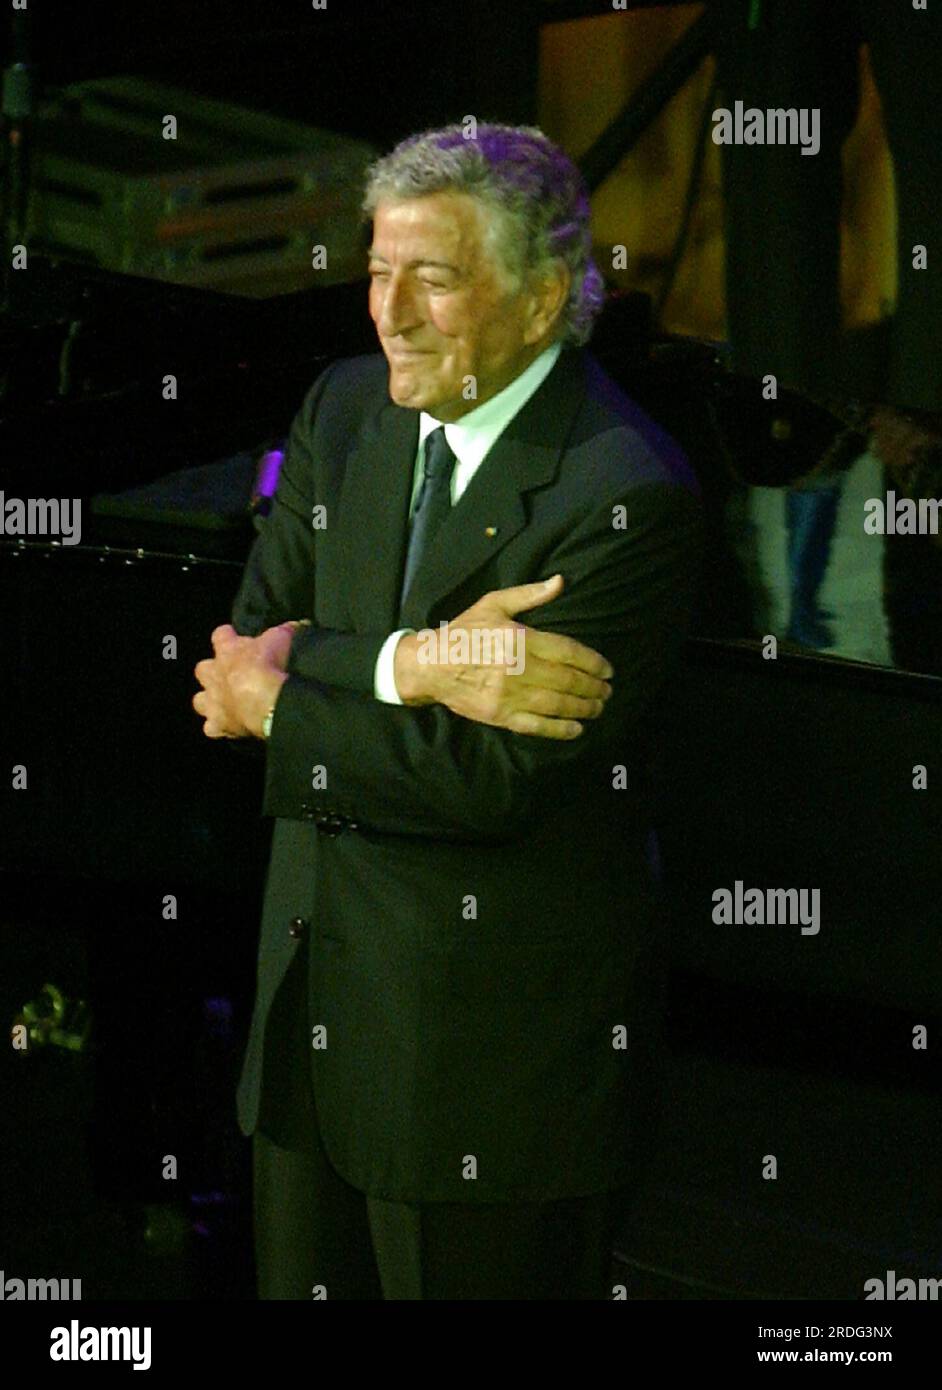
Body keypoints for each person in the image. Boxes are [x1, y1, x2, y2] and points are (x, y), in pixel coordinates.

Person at [192, 122, 703, 1300]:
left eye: (434, 277)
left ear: (540, 302)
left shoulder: (626, 495)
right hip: (305, 1045)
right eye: (377, 270)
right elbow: (238, 655)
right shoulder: (344, 409)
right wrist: (413, 665)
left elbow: (477, 781)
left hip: (483, 1090)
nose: (392, 314)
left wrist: (294, 687)